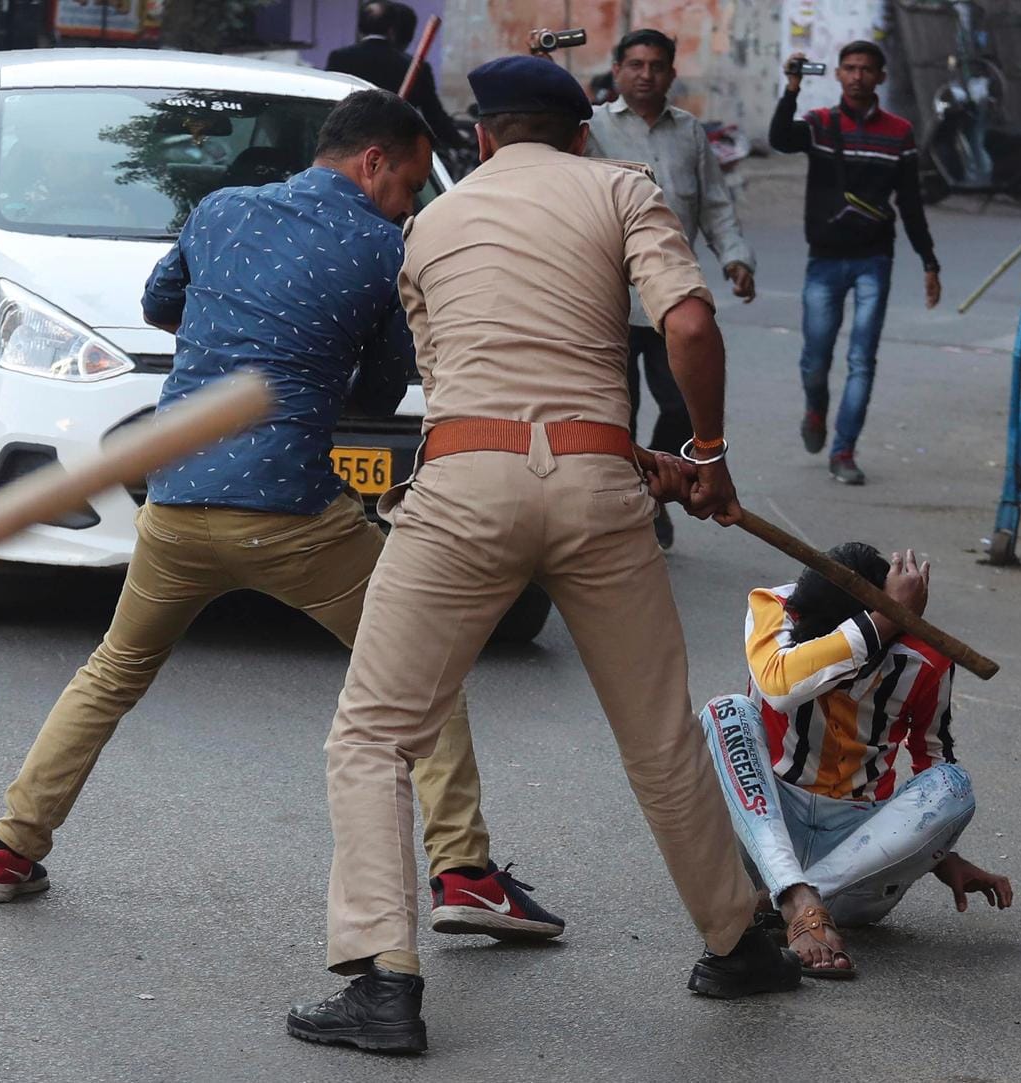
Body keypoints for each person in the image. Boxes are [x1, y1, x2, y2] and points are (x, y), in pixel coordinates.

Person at [0, 89, 565, 943]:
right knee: (422, 672)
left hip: (174, 500)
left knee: (112, 672)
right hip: (296, 516)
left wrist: (233, 323)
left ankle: (6, 849)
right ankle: (463, 869)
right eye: (408, 186)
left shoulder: (221, 209)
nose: (409, 203)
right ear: (374, 163)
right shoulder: (381, 245)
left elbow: (160, 302)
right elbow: (387, 384)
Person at [287, 58, 800, 1055]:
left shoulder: (428, 223)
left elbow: (468, 398)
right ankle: (739, 942)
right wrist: (706, 457)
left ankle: (382, 983)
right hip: (600, 490)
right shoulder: (622, 187)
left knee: (375, 735)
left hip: (465, 489)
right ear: (579, 136)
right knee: (658, 732)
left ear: (481, 138)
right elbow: (687, 323)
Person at [698, 544, 1013, 978]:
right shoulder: (775, 608)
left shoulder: (928, 657)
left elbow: (932, 763)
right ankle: (795, 896)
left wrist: (938, 855)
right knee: (726, 711)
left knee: (953, 784)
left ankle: (804, 897)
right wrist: (885, 618)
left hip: (855, 868)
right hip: (764, 844)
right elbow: (779, 684)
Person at [587, 28, 757, 550]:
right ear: (617, 71)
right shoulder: (590, 129)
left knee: (684, 407)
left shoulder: (690, 133)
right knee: (618, 413)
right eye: (634, 64)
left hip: (669, 304)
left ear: (671, 74)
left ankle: (653, 489)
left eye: (656, 65)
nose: (645, 74)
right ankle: (626, 509)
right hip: (609, 301)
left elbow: (716, 206)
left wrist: (734, 257)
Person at [771, 41, 940, 487]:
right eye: (850, 68)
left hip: (873, 259)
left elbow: (911, 203)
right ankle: (816, 408)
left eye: (867, 69)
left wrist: (929, 262)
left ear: (880, 76)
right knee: (815, 360)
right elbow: (779, 140)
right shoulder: (820, 123)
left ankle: (843, 449)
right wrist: (791, 88)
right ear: (839, 74)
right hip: (824, 259)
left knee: (862, 359)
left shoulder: (899, 132)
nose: (858, 76)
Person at [325, 1, 466, 154]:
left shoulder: (339, 58)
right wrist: (462, 143)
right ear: (392, 30)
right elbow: (435, 118)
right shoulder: (414, 67)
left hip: (347, 145)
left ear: (359, 28)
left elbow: (327, 104)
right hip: (393, 152)